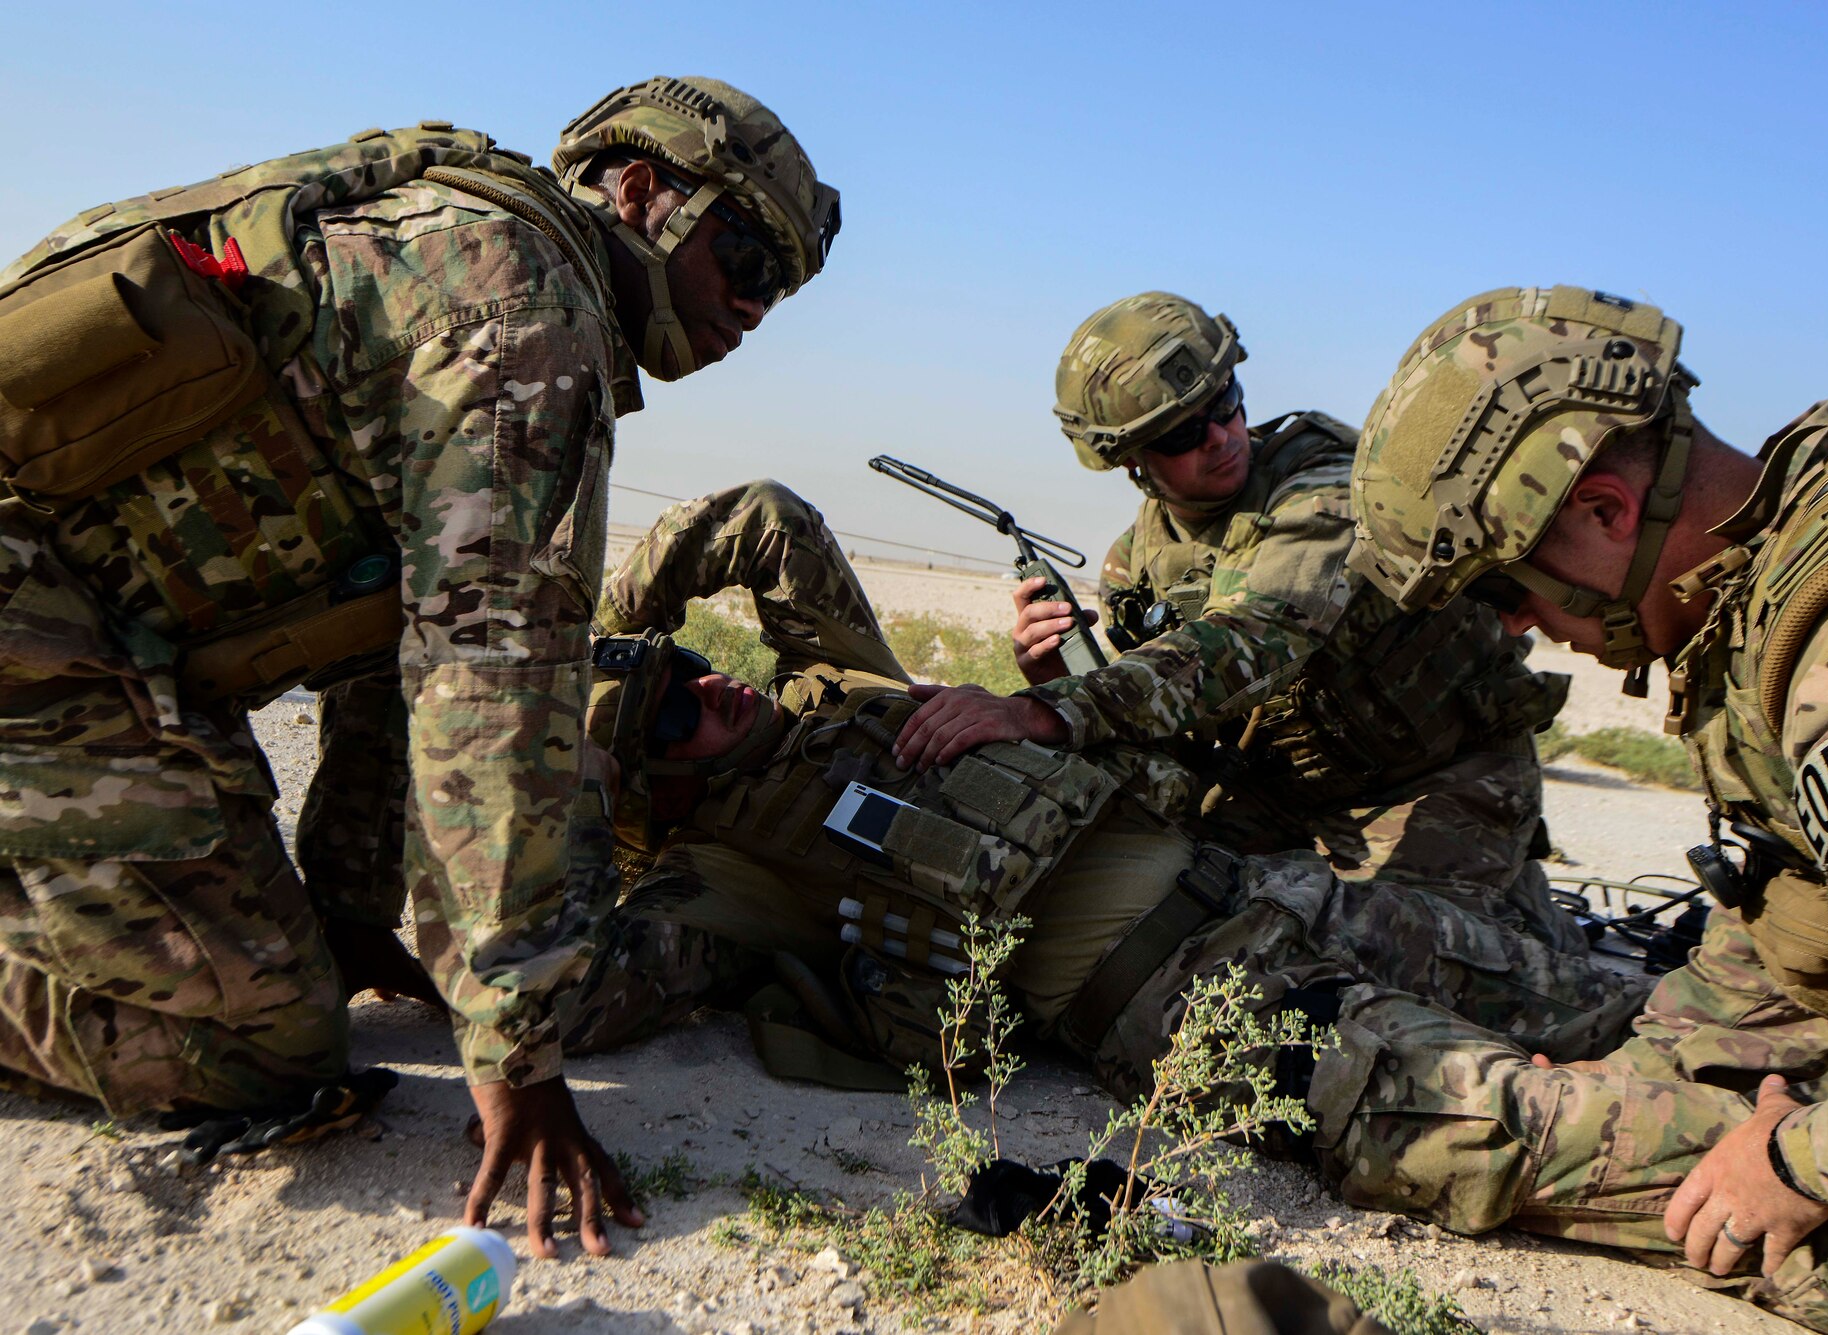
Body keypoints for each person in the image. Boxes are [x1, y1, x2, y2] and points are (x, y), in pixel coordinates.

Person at [0, 76, 837, 1259]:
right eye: (745, 256)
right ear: (642, 191)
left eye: (783, 286)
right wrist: (515, 1055)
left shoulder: (462, 235)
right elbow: (491, 692)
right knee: (262, 1047)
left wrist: (342, 908)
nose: (755, 306)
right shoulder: (525, 319)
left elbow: (381, 649)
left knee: (283, 963)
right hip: (40, 621)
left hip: (92, 631)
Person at [1309, 284, 1828, 1331]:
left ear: (1602, 510)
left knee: (1803, 1246)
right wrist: (1642, 1073)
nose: (1519, 633)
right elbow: (1791, 903)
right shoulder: (1802, 533)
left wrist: (1794, 1161)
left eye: (1508, 594)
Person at [583, 480, 1646, 1108]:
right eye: (669, 717)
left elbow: (760, 519)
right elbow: (593, 985)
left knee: (1607, 1011)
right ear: (656, 787)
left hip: (1267, 890)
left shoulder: (836, 685)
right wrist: (565, 806)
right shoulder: (717, 872)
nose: (705, 689)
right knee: (1537, 1122)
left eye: (681, 667)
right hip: (1187, 1002)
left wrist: (606, 638)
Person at [892, 293, 1583, 951]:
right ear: (1130, 459)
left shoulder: (1324, 482)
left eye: (1226, 405)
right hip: (1293, 799)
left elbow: (1257, 635)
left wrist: (1048, 710)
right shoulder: (1137, 564)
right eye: (1184, 433)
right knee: (1164, 906)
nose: (1221, 437)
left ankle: (1526, 918)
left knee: (1380, 948)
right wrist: (1055, 675)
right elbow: (1174, 728)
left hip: (1441, 778)